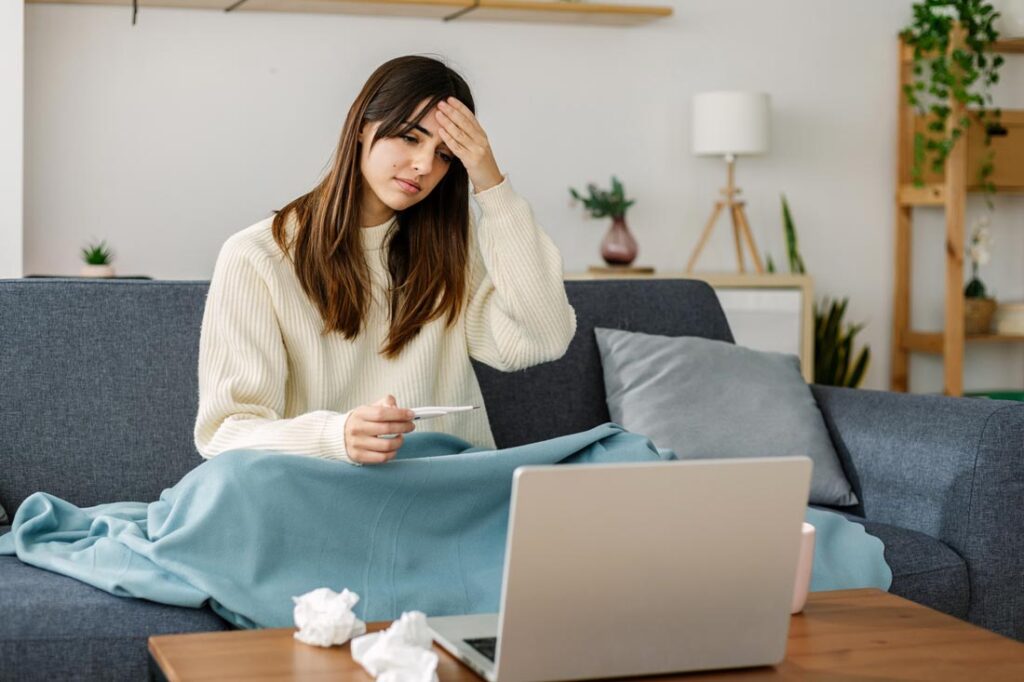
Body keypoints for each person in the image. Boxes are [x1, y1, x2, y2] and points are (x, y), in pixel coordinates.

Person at [193, 55, 577, 466]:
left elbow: (543, 338)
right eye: (411, 138)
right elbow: (225, 432)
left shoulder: (451, 247)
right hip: (330, 491)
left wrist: (491, 183)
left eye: (447, 155)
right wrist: (335, 437)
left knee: (619, 451)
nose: (425, 166)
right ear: (361, 127)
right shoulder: (257, 257)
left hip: (449, 489)